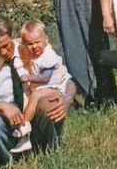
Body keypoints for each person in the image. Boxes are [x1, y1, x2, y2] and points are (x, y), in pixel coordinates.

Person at [0, 14, 76, 165]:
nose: (4, 52)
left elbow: (67, 80)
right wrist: (0, 106)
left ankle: (51, 154)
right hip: (9, 125)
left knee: (51, 102)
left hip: (35, 120)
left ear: (11, 35)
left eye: (7, 45)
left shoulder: (31, 47)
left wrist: (67, 99)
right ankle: (5, 163)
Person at [11, 20, 72, 153]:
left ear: (46, 40)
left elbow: (45, 77)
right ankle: (25, 135)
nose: (34, 46)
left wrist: (27, 78)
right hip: (45, 87)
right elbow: (16, 42)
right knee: (34, 98)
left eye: (37, 42)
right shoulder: (32, 54)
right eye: (30, 44)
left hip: (54, 87)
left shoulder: (49, 55)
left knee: (35, 96)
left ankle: (25, 125)